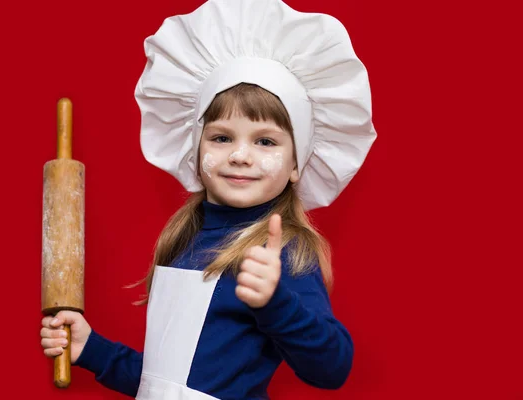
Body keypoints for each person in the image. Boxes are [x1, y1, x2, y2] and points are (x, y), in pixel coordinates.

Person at [40, 0, 377, 399]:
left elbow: (333, 367)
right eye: (221, 137)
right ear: (195, 150)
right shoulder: (186, 240)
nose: (239, 154)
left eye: (265, 141)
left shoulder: (280, 252)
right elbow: (169, 386)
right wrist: (93, 350)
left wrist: (275, 301)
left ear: (295, 164)